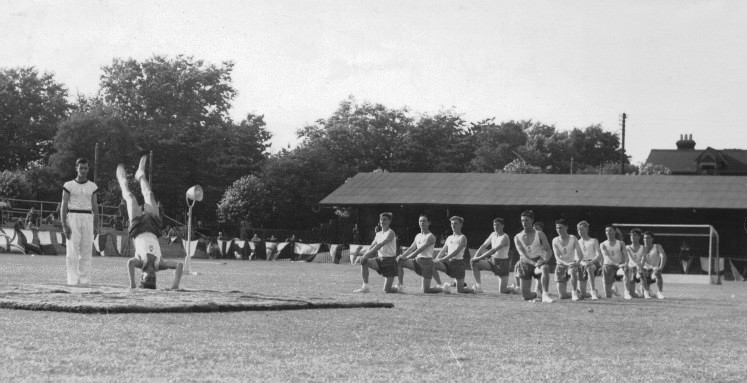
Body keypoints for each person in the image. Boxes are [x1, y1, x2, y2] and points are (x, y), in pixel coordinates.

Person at [118, 155, 183, 290]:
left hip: (138, 228)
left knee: (130, 197)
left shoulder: (140, 263)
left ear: (142, 276)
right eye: (154, 279)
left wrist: (132, 285)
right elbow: (179, 265)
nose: (153, 275)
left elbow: (130, 263)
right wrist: (174, 287)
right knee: (150, 195)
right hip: (154, 228)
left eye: (149, 278)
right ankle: (140, 174)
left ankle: (122, 180)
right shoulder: (161, 264)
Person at [61, 158, 99, 286]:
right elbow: (63, 206)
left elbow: (95, 207)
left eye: (85, 168)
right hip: (73, 216)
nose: (83, 170)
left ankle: (84, 281)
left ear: (88, 169)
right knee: (72, 251)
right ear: (76, 168)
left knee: (86, 250)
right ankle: (72, 281)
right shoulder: (68, 185)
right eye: (81, 167)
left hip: (88, 217)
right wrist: (64, 225)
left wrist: (96, 226)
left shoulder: (92, 186)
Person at [395, 214, 447, 294]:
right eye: (420, 221)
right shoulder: (418, 236)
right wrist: (402, 256)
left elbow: (419, 250)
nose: (422, 222)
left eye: (424, 221)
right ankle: (400, 286)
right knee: (399, 261)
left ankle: (443, 289)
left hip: (427, 264)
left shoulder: (431, 237)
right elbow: (411, 248)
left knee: (425, 291)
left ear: (429, 223)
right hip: (416, 262)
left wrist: (407, 258)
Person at [353, 212, 400, 293]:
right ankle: (365, 287)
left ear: (389, 221)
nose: (382, 221)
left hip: (390, 262)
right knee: (364, 262)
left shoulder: (390, 233)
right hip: (380, 260)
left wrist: (366, 255)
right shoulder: (378, 234)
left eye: (385, 219)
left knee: (387, 290)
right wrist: (364, 256)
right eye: (381, 219)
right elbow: (372, 246)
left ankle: (396, 288)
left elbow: (379, 245)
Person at [514, 210, 553, 302]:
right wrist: (533, 263)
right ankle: (538, 294)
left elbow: (549, 250)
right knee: (526, 296)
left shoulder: (540, 234)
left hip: (538, 263)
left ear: (532, 221)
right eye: (522, 220)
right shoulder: (517, 237)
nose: (524, 223)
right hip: (525, 264)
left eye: (526, 220)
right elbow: (522, 255)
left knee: (545, 268)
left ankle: (545, 295)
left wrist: (544, 260)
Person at [470, 217, 514, 294]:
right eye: (494, 225)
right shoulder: (493, 234)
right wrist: (475, 257)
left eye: (498, 225)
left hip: (503, 264)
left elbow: (493, 250)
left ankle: (513, 288)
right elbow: (483, 245)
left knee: (503, 291)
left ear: (503, 226)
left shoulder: (505, 237)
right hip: (492, 261)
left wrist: (479, 257)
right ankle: (479, 287)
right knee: (474, 263)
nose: (496, 227)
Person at [433, 216, 475, 294]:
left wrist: (442, 259)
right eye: (452, 223)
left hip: (458, 265)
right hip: (448, 263)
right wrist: (436, 258)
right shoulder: (449, 238)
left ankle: (474, 290)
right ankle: (440, 285)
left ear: (461, 225)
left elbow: (456, 252)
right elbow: (443, 250)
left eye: (455, 223)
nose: (453, 225)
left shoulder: (463, 238)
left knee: (460, 291)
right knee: (432, 264)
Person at [551, 219, 584, 301]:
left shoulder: (573, 238)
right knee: (562, 296)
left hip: (571, 265)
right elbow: (557, 257)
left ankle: (574, 293)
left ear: (566, 227)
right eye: (557, 228)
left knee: (573, 270)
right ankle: (579, 293)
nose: (559, 230)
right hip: (561, 265)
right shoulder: (555, 240)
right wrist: (566, 264)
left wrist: (578, 263)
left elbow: (580, 254)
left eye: (561, 228)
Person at [600, 225, 630, 299]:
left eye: (610, 230)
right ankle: (613, 289)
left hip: (619, 267)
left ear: (614, 231)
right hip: (607, 267)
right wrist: (616, 264)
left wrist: (626, 264)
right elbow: (606, 256)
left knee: (627, 270)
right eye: (606, 231)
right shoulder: (603, 244)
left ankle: (626, 292)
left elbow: (626, 255)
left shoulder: (621, 243)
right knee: (608, 296)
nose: (608, 232)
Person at [577, 221, 602, 300]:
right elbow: (576, 257)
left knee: (589, 267)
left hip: (593, 263)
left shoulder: (594, 240)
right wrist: (582, 262)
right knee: (582, 294)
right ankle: (594, 293)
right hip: (581, 263)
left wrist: (590, 262)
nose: (580, 231)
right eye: (578, 229)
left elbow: (599, 255)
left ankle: (593, 291)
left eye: (582, 229)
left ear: (587, 229)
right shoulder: (577, 242)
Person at [641, 231, 667, 299]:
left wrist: (660, 267)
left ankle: (660, 293)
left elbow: (663, 256)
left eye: (648, 238)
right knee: (640, 294)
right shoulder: (641, 248)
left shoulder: (657, 246)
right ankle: (647, 291)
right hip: (643, 271)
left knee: (657, 273)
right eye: (644, 238)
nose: (646, 240)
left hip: (653, 270)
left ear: (652, 239)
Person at [625, 228, 646, 298]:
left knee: (644, 296)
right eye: (631, 235)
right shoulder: (627, 247)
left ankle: (646, 291)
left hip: (640, 269)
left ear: (639, 237)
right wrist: (637, 266)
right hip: (631, 269)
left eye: (635, 235)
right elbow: (630, 259)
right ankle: (637, 292)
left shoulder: (643, 247)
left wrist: (640, 267)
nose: (632, 237)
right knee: (632, 295)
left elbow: (643, 259)